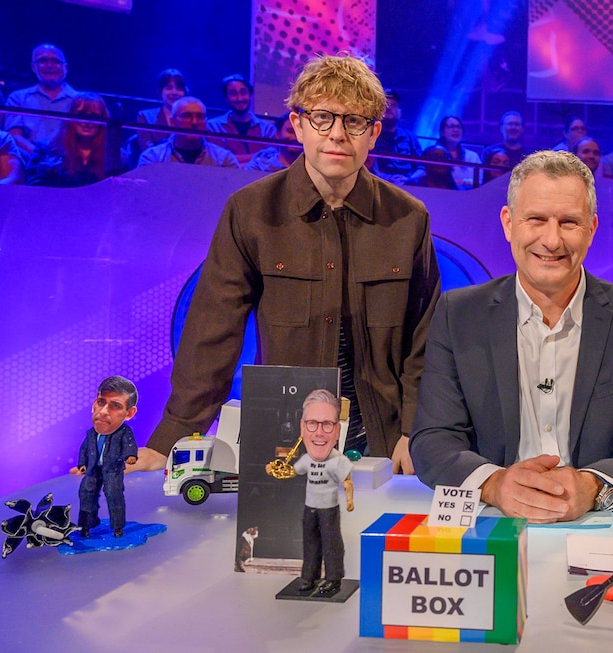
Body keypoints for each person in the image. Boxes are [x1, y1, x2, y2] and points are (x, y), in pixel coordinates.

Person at [132, 54, 440, 477]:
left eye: (353, 121)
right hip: (282, 441)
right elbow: (212, 334)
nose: (337, 134)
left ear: (374, 134)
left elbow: (425, 338)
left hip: (385, 443)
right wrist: (173, 439)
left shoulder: (408, 218)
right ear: (297, 125)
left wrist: (416, 429)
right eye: (322, 118)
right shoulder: (250, 211)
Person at [410, 150, 613, 523]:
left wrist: (593, 486)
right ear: (508, 223)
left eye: (569, 222)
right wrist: (495, 485)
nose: (551, 240)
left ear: (591, 229)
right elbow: (433, 439)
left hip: (603, 523)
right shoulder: (459, 314)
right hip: (492, 521)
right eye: (536, 219)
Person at [291, 389, 354, 596]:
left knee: (331, 543)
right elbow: (293, 471)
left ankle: (334, 579)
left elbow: (347, 482)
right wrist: (275, 469)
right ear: (303, 427)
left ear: (337, 430)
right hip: (310, 509)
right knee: (310, 543)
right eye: (312, 424)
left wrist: (349, 501)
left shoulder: (338, 461)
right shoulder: (307, 459)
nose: (319, 432)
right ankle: (309, 576)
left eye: (327, 424)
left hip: (329, 509)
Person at [70, 376, 139, 538]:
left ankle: (117, 527)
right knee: (86, 494)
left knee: (113, 495)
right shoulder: (91, 433)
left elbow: (129, 445)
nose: (103, 411)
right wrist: (82, 464)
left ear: (129, 413)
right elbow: (84, 449)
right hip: (93, 469)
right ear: (94, 403)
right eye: (101, 402)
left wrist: (130, 456)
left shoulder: (124, 432)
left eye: (115, 406)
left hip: (113, 470)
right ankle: (86, 526)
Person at [26, 93, 119, 187]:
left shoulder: (116, 156)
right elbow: (34, 187)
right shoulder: (46, 148)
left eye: (93, 116)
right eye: (81, 115)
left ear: (103, 119)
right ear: (69, 117)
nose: (86, 122)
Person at [5, 44, 78, 155]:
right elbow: (14, 135)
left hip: (71, 160)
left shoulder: (80, 101)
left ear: (66, 68)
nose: (49, 65)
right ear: (33, 67)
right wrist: (39, 155)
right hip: (29, 160)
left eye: (55, 61)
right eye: (43, 61)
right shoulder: (17, 98)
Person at [137, 97, 239, 168]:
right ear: (172, 122)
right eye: (186, 116)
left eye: (200, 117)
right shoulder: (152, 158)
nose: (194, 122)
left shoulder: (224, 159)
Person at [208, 74, 278, 165]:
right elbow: (217, 159)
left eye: (243, 92)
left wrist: (232, 160)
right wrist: (258, 156)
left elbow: (273, 159)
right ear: (226, 97)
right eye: (233, 94)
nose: (240, 98)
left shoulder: (268, 130)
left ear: (250, 95)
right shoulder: (212, 127)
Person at [371, 88, 423, 185]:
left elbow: (421, 167)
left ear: (400, 113)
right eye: (385, 105)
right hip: (379, 185)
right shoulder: (370, 135)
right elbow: (367, 165)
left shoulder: (410, 137)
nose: (389, 108)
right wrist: (387, 179)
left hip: (409, 187)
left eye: (393, 105)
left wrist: (408, 179)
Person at [134, 68, 188, 152]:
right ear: (160, 91)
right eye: (169, 88)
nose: (174, 92)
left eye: (179, 89)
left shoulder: (193, 117)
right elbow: (147, 150)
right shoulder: (146, 116)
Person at [436, 115, 481, 189]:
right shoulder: (433, 154)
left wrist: (463, 182)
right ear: (442, 132)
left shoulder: (472, 156)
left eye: (459, 127)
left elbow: (480, 181)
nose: (456, 130)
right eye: (451, 126)